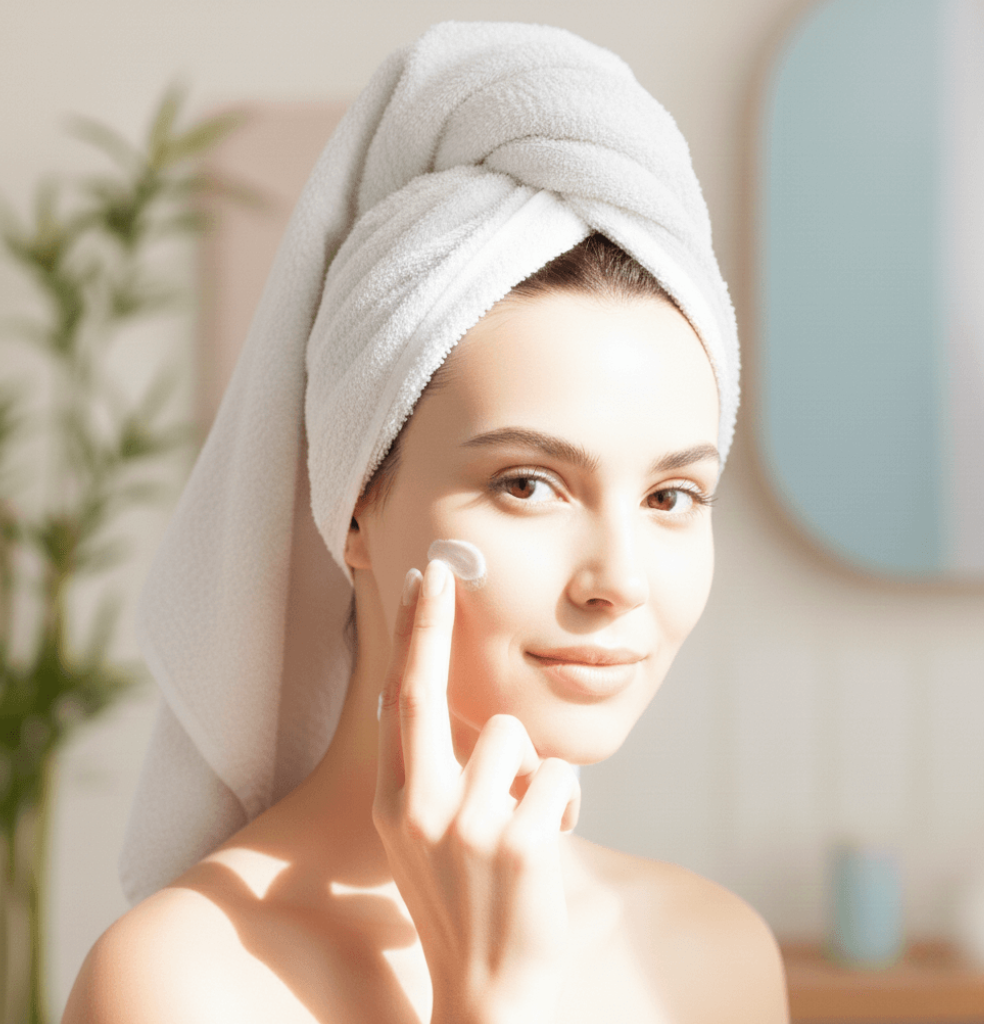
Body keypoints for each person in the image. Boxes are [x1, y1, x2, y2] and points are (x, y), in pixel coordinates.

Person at [63, 21, 789, 1024]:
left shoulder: (712, 956)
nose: (616, 578)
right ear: (357, 498)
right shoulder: (179, 981)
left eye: (671, 497)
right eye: (528, 483)